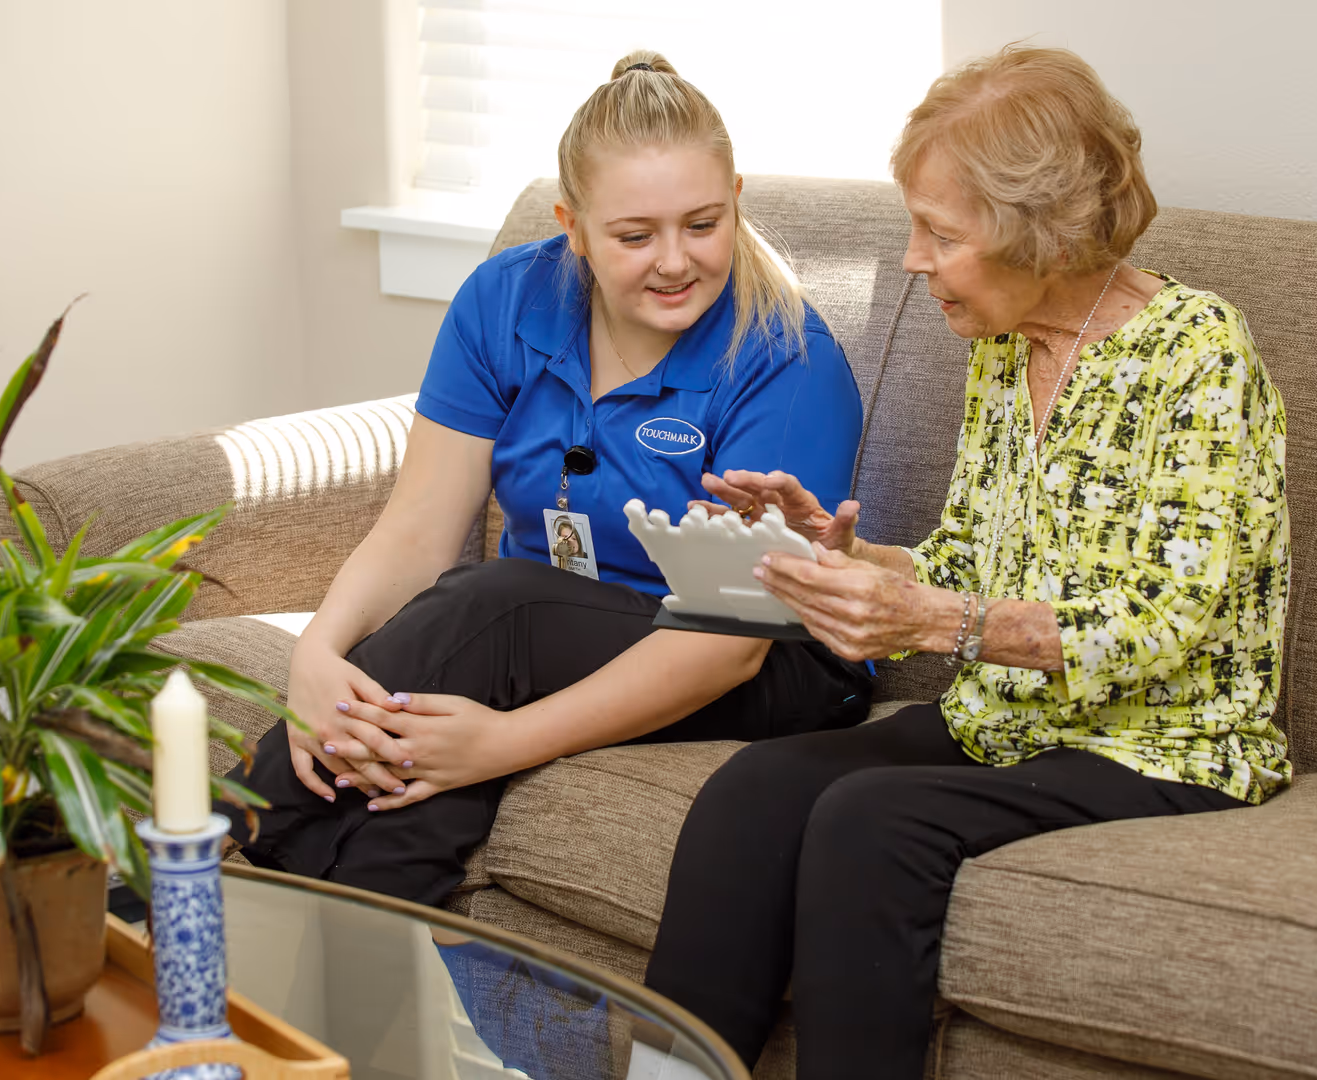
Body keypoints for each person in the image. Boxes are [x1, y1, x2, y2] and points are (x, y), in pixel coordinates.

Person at [640, 45, 1292, 1080]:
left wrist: (932, 623)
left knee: (869, 821)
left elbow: (1170, 623)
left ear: (1039, 230)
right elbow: (969, 557)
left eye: (938, 233)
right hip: (1008, 721)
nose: (911, 260)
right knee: (755, 790)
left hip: (1161, 749)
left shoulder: (1198, 352)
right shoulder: (1001, 348)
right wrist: (847, 554)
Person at [220, 50, 870, 908]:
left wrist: (501, 743)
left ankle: (201, 876)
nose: (675, 261)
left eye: (703, 224)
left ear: (737, 198)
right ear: (573, 226)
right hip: (539, 629)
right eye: (635, 236)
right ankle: (358, 987)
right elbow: (417, 532)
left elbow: (732, 641)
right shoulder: (505, 301)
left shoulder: (787, 359)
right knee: (424, 763)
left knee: (501, 604)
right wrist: (318, 653)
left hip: (761, 660)